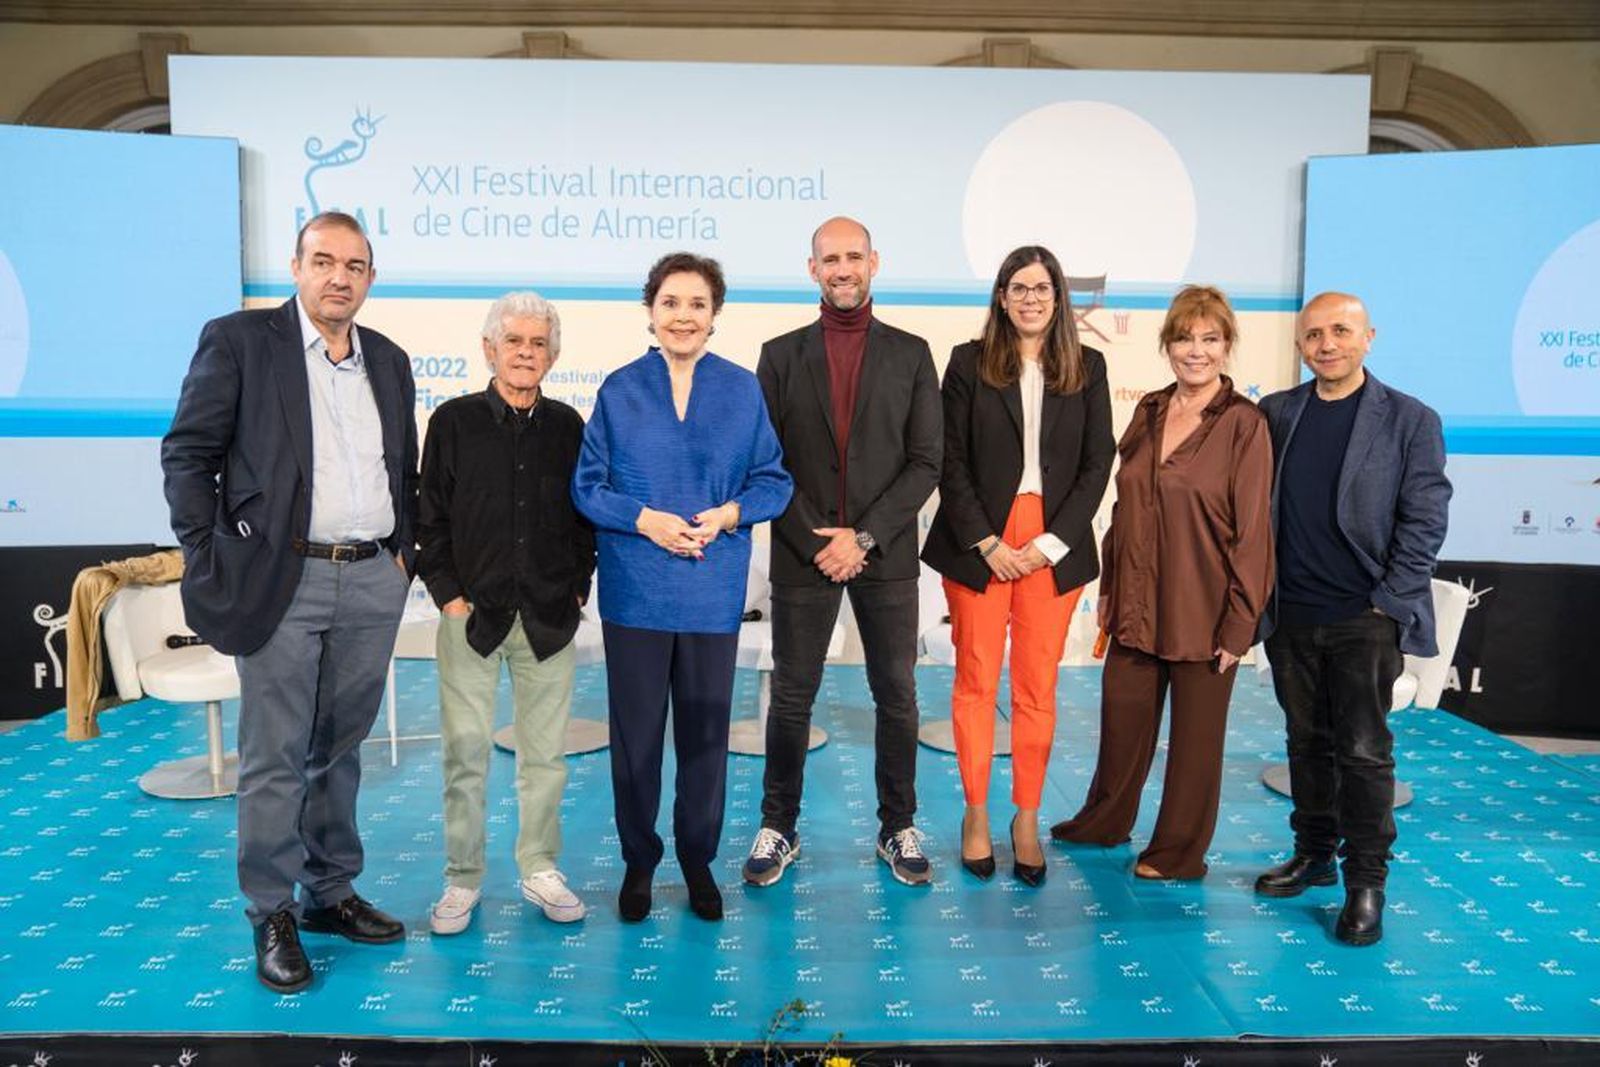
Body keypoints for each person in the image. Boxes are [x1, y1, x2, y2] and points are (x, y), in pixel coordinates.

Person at [162, 212, 417, 993]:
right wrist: (211, 554)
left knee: (339, 749)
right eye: (325, 261)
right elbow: (188, 453)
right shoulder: (240, 342)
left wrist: (403, 555)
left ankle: (328, 891)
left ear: (371, 277)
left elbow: (399, 460)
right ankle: (270, 908)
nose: (340, 276)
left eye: (356, 265)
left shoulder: (391, 358)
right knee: (276, 755)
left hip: (373, 575)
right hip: (283, 579)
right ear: (296, 266)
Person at [572, 252, 792, 923]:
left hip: (710, 594)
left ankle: (698, 859)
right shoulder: (619, 389)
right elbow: (588, 487)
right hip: (636, 591)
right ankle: (639, 860)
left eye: (697, 304)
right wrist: (646, 520)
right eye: (671, 302)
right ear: (651, 310)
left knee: (703, 737)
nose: (683, 316)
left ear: (714, 315)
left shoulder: (741, 389)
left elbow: (773, 481)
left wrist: (729, 513)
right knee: (636, 739)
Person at [744, 216, 942, 888]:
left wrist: (861, 537)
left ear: (874, 262)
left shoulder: (913, 354)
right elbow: (765, 463)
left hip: (883, 553)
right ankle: (778, 826)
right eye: (830, 258)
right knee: (792, 696)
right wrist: (816, 539)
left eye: (853, 256)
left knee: (897, 693)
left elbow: (925, 463)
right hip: (803, 551)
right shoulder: (778, 355)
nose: (842, 268)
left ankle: (898, 825)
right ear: (812, 270)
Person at [1050, 285, 1273, 881]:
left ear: (1227, 347)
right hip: (1135, 600)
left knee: (1197, 745)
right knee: (1122, 722)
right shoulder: (1148, 409)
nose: (1195, 351)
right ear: (1167, 344)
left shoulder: (1245, 425)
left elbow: (1253, 533)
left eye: (1209, 339)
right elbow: (1124, 508)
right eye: (1183, 338)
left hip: (1206, 608)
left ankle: (1177, 851)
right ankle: (1105, 820)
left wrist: (1240, 623)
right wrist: (1107, 588)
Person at [1254, 291, 1450, 947]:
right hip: (1291, 615)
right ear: (1301, 345)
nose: (1327, 343)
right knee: (1305, 742)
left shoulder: (1409, 419)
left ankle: (1365, 881)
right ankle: (1312, 855)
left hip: (1364, 617)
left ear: (1370, 336)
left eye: (1341, 330)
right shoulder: (1277, 412)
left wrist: (1389, 599)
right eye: (1314, 334)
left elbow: (1424, 517)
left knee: (1364, 754)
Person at [921, 245, 1115, 886]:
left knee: (1036, 691)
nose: (1031, 298)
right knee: (975, 684)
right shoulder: (968, 363)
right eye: (1018, 287)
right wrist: (986, 542)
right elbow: (948, 460)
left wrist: (1049, 544)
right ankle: (976, 814)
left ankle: (1025, 817)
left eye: (1043, 288)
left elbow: (1096, 464)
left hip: (1052, 551)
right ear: (1001, 297)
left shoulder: (1088, 365)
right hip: (981, 547)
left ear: (1059, 298)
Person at [416, 292, 597, 934]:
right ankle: (462, 879)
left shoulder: (570, 426)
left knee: (544, 759)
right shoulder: (453, 421)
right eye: (514, 341)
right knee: (465, 753)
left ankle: (540, 868)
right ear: (489, 348)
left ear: (552, 354)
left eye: (538, 343)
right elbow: (428, 516)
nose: (526, 353)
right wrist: (448, 594)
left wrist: (578, 586)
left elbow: (586, 517)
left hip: (548, 618)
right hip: (471, 616)